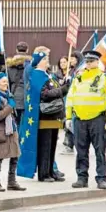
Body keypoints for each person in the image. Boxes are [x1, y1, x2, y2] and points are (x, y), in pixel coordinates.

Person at [66, 51, 106, 190]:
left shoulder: (104, 78)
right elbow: (70, 98)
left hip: (98, 119)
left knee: (100, 150)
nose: (88, 64)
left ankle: (101, 178)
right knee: (81, 150)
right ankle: (82, 178)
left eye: (91, 61)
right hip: (80, 119)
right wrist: (69, 116)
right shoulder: (79, 78)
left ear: (97, 62)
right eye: (87, 61)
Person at [28, 51, 67, 182]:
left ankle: (51, 171)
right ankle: (43, 174)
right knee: (45, 145)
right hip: (45, 116)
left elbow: (55, 90)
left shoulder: (47, 75)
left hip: (54, 115)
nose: (47, 60)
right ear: (38, 62)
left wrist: (64, 85)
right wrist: (62, 90)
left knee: (52, 145)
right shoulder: (37, 75)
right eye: (44, 59)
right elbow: (45, 94)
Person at [0, 72, 26, 192]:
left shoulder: (8, 96)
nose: (6, 84)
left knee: (15, 156)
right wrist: (10, 106)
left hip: (10, 129)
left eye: (6, 81)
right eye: (3, 81)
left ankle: (12, 181)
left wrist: (10, 102)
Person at [5, 42, 31, 128]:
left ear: (16, 50)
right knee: (27, 124)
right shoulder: (32, 65)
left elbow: (7, 83)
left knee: (15, 123)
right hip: (28, 96)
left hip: (14, 96)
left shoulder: (9, 66)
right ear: (27, 50)